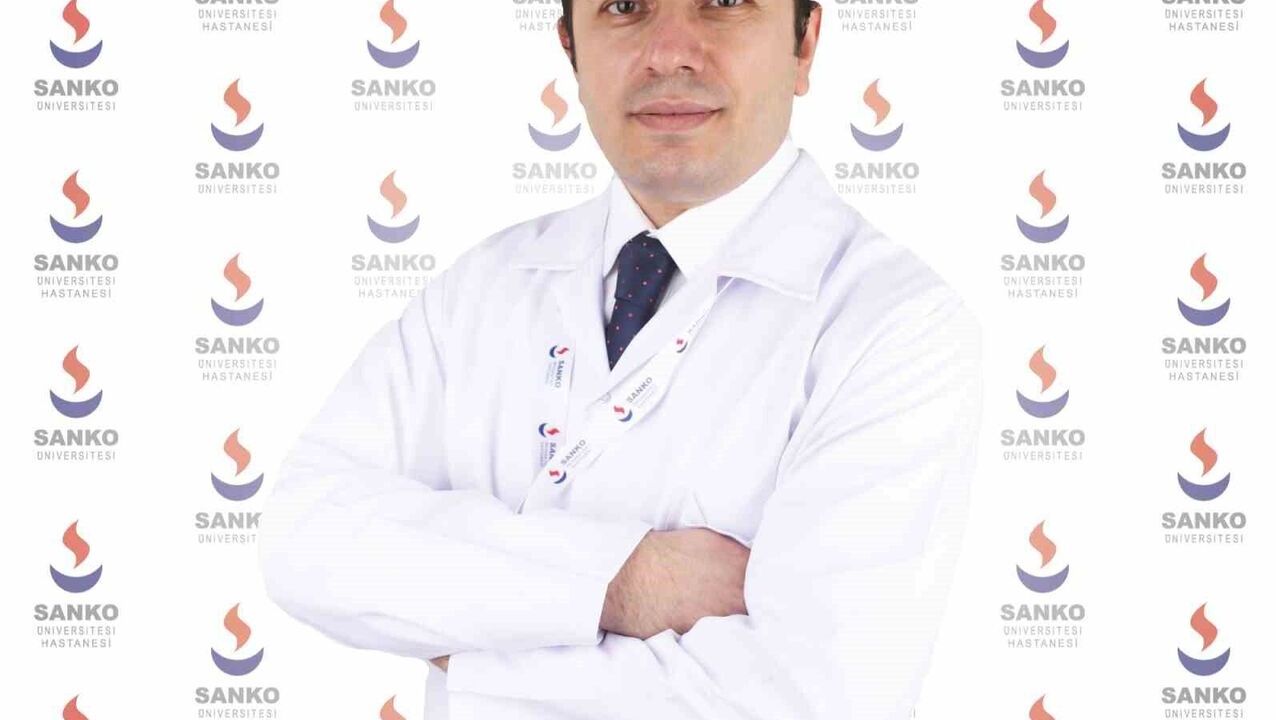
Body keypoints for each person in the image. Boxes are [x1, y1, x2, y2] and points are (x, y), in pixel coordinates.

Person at [257, 1, 984, 718]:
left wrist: (470, 652)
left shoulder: (893, 325)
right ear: (570, 47)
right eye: (625, 6)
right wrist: (628, 580)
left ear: (805, 44)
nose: (669, 52)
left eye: (725, 2)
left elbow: (810, 698)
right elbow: (304, 536)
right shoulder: (480, 288)